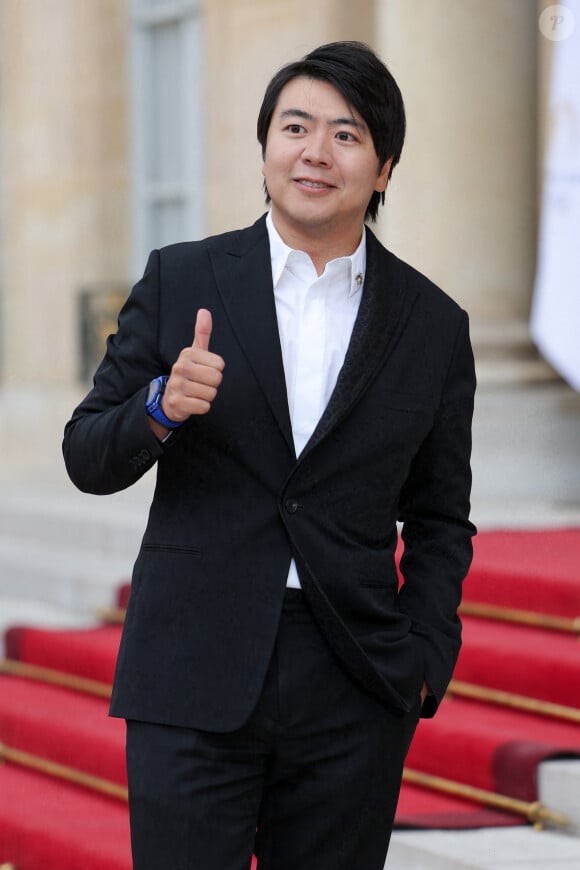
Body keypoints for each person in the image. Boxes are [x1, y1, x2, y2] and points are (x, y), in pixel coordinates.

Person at [63, 40, 476, 870]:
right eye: (296, 127)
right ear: (265, 151)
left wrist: (426, 658)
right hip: (191, 671)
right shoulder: (183, 279)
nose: (315, 152)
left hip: (355, 680)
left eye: (346, 134)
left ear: (384, 168)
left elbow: (439, 517)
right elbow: (86, 452)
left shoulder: (433, 324)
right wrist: (160, 407)